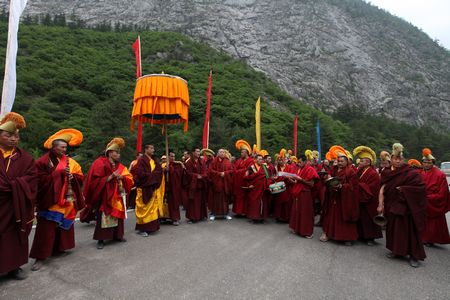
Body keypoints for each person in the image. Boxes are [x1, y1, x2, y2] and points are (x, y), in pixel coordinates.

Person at [30, 129, 84, 271]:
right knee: (45, 229)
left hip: (67, 198)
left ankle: (60, 248)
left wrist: (73, 177)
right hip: (50, 199)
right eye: (62, 147)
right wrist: (58, 173)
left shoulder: (70, 161)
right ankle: (40, 257)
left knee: (62, 226)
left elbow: (80, 176)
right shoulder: (43, 161)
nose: (65, 150)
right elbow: (38, 180)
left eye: (66, 148)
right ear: (54, 148)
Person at [0, 113, 37, 280]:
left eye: (16, 136)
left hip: (17, 205)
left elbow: (32, 178)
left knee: (15, 235)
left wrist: (14, 186)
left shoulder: (26, 158)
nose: (13, 139)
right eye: (9, 136)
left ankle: (14, 267)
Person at [378, 143, 426, 267]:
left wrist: (405, 190)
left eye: (400, 159)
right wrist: (381, 204)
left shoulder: (411, 173)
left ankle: (414, 255)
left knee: (408, 231)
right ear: (391, 159)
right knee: (393, 230)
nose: (397, 161)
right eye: (395, 158)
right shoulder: (387, 172)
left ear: (403, 159)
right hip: (391, 205)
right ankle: (397, 251)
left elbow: (420, 188)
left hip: (406, 207)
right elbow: (382, 188)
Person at [81, 137, 133, 249]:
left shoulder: (120, 166)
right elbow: (94, 181)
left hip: (117, 195)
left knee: (118, 216)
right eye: (116, 152)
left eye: (119, 153)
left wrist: (122, 178)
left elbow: (129, 178)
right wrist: (111, 177)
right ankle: (101, 239)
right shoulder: (99, 163)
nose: (119, 155)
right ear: (109, 153)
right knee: (103, 217)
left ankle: (117, 236)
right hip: (105, 195)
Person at [320, 146, 359, 245]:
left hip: (344, 198)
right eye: (339, 161)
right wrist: (327, 178)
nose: (340, 163)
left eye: (342, 161)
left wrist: (342, 186)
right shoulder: (334, 170)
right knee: (331, 215)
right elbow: (328, 179)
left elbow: (353, 187)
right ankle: (328, 233)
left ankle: (347, 237)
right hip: (333, 196)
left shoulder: (351, 172)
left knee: (343, 216)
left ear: (347, 162)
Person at [353, 146, 382, 246]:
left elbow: (373, 187)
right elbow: (355, 180)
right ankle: (361, 235)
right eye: (360, 160)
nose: (360, 162)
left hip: (369, 199)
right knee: (361, 218)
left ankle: (371, 237)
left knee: (368, 218)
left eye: (362, 161)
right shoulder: (360, 171)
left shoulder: (373, 173)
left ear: (369, 162)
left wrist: (360, 185)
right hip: (360, 197)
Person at [420, 148, 450, 246]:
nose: (427, 164)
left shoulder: (440, 174)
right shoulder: (419, 173)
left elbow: (443, 193)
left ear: (433, 162)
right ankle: (421, 236)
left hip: (433, 201)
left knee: (433, 222)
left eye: (430, 162)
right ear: (422, 162)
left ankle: (430, 239)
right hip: (421, 200)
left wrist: (429, 198)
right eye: (425, 162)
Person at [132, 145, 164, 236]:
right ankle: (143, 229)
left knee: (152, 209)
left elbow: (159, 171)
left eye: (154, 148)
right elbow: (139, 174)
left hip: (152, 187)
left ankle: (151, 227)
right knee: (144, 208)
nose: (153, 150)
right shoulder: (142, 160)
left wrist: (155, 175)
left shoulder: (154, 160)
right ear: (146, 149)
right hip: (144, 188)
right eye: (151, 148)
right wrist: (153, 176)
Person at [289, 155, 319, 238]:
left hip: (305, 193)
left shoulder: (310, 169)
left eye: (300, 162)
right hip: (298, 193)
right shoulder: (299, 169)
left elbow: (311, 184)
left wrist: (300, 180)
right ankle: (298, 229)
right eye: (298, 162)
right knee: (297, 211)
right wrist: (290, 179)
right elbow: (296, 182)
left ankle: (307, 232)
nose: (298, 164)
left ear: (305, 162)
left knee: (305, 213)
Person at [208, 149, 234, 220]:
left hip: (225, 184)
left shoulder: (228, 161)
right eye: (220, 152)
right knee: (216, 199)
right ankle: (214, 214)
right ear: (218, 153)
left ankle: (225, 214)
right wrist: (219, 174)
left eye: (223, 152)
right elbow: (210, 171)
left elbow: (231, 171)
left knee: (225, 200)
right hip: (216, 184)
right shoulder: (214, 161)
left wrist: (225, 173)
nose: (222, 153)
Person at [244, 154, 270, 223]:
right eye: (259, 159)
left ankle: (261, 217)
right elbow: (246, 177)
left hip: (263, 188)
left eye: (261, 159)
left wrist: (268, 185)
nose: (261, 160)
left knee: (262, 203)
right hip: (254, 188)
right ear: (255, 160)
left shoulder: (264, 167)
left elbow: (268, 177)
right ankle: (254, 217)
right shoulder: (251, 167)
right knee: (254, 203)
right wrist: (249, 185)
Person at [185, 148, 208, 223]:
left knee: (201, 201)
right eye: (197, 151)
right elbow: (187, 173)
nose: (198, 153)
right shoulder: (189, 162)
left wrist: (203, 176)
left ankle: (201, 216)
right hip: (193, 186)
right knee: (193, 202)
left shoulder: (202, 161)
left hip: (201, 184)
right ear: (193, 152)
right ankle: (192, 217)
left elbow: (205, 171)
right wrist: (196, 176)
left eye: (199, 152)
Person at [232, 140, 254, 217]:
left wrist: (238, 172)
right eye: (241, 152)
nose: (241, 154)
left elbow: (248, 169)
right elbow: (234, 169)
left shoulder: (251, 160)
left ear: (246, 153)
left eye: (242, 152)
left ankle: (244, 212)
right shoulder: (239, 160)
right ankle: (238, 212)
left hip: (245, 182)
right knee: (238, 197)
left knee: (244, 197)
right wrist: (237, 171)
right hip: (238, 182)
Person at [165, 151, 185, 225]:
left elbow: (178, 174)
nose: (173, 158)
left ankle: (175, 218)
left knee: (174, 202)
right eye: (171, 156)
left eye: (174, 156)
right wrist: (164, 170)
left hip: (173, 187)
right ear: (168, 157)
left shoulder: (177, 165)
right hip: (165, 187)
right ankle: (164, 217)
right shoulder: (163, 164)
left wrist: (170, 169)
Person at [272, 149, 293, 222]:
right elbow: (273, 176)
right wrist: (275, 178)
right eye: (279, 160)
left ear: (284, 160)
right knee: (278, 202)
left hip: (287, 187)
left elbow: (291, 176)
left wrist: (286, 177)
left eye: (282, 160)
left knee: (287, 202)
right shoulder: (275, 168)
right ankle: (278, 216)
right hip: (279, 187)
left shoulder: (289, 167)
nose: (280, 161)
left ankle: (286, 217)